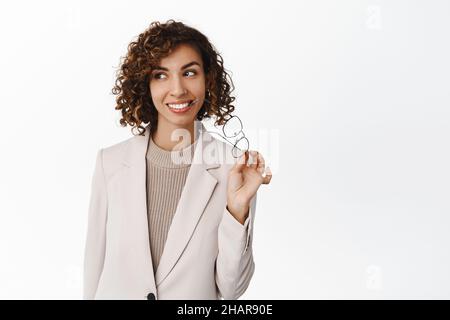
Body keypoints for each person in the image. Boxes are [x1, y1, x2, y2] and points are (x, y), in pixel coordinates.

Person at [83, 19, 272, 300]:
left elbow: (231, 289)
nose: (178, 89)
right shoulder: (109, 163)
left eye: (189, 73)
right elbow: (94, 270)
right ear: (144, 84)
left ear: (208, 79)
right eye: (160, 75)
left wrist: (237, 210)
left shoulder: (234, 167)